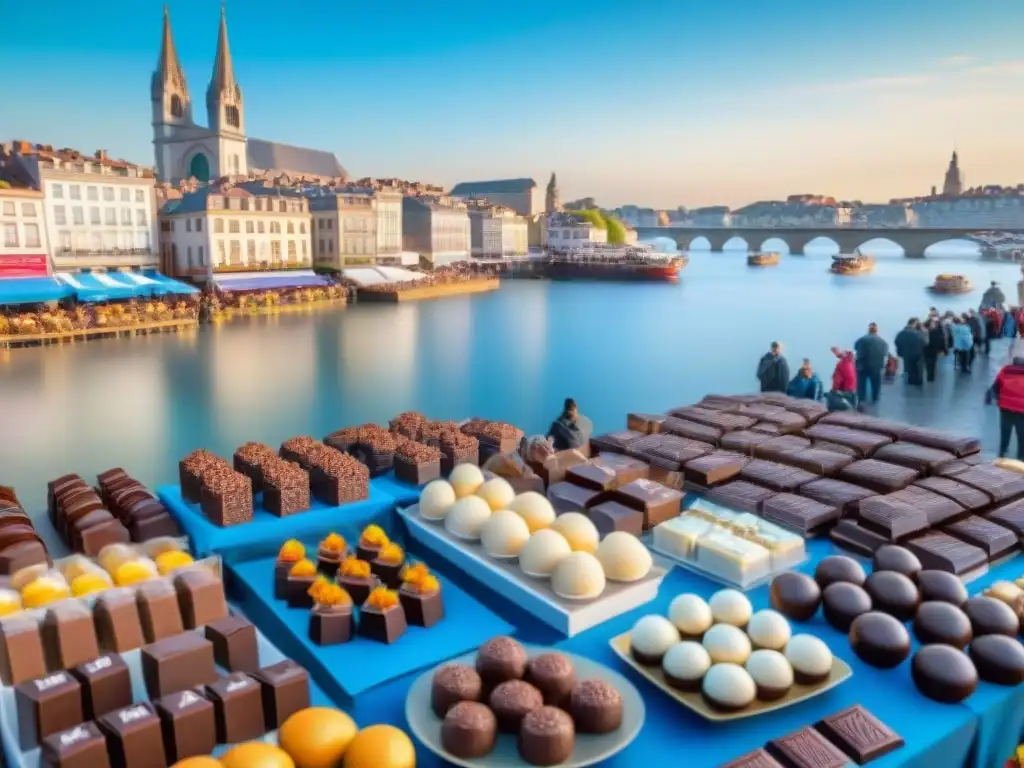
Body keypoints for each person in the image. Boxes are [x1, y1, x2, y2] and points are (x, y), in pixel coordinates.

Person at [987, 357, 1024, 460]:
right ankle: (1021, 456)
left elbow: (996, 388)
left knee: (1005, 431)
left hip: (1005, 407)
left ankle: (1002, 453)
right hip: (1022, 410)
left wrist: (1000, 398)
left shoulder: (1005, 371)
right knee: (1021, 434)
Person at [854, 323, 888, 405]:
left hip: (863, 365)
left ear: (868, 330)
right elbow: (885, 353)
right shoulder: (883, 342)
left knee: (861, 384)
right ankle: (875, 399)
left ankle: (861, 399)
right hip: (877, 366)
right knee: (876, 384)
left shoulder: (862, 339)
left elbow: (856, 347)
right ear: (876, 330)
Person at [894, 318, 926, 386]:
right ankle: (917, 383)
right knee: (918, 370)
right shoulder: (918, 333)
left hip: (905, 354)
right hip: (917, 354)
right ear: (914, 323)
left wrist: (901, 350)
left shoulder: (901, 333)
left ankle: (910, 382)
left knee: (908, 368)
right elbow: (925, 343)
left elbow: (897, 342)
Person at [923, 318, 947, 382]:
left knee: (932, 363)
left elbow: (941, 341)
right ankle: (930, 376)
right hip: (927, 349)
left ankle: (930, 377)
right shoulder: (932, 331)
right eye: (933, 324)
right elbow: (941, 340)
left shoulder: (934, 331)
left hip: (932, 349)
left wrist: (943, 350)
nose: (934, 325)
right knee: (930, 363)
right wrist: (944, 350)